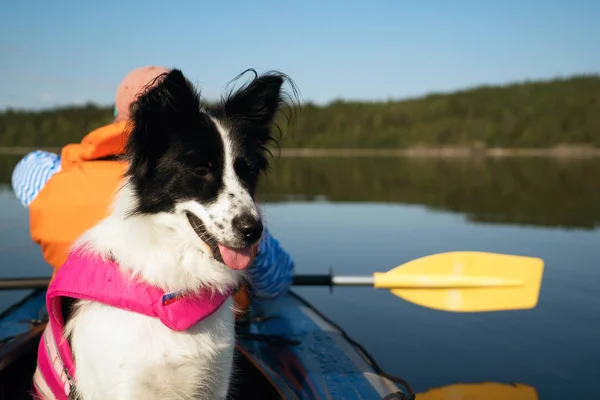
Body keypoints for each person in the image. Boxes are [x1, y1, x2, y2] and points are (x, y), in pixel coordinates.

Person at [11, 66, 294, 304]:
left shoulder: (52, 175)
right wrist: (249, 196)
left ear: (117, 115)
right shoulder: (206, 177)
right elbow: (274, 284)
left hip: (72, 308)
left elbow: (25, 169)